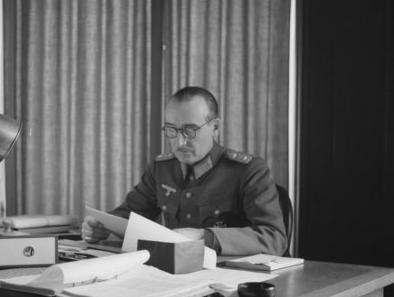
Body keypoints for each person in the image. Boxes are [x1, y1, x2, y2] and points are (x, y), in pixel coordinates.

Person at [81, 86, 287, 256]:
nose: (179, 142)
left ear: (215, 127)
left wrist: (204, 236)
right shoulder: (161, 169)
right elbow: (129, 215)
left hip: (230, 280)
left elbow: (274, 238)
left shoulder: (248, 170)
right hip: (173, 273)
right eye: (171, 130)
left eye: (190, 131)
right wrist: (101, 227)